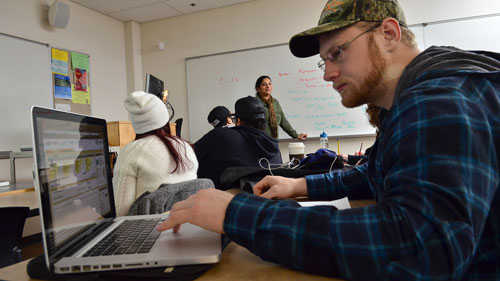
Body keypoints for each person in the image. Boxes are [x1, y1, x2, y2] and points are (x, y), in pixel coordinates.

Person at [157, 0, 500, 280]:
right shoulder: (414, 95)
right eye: (324, 60)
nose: (327, 73)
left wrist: (239, 214)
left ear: (389, 34)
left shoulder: (440, 99)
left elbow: (422, 245)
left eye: (337, 53)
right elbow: (376, 172)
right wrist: (301, 186)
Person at [112, 91, 198, 216]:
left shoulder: (131, 151)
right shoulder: (186, 147)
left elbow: (120, 212)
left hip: (151, 229)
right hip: (190, 226)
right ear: (165, 119)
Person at [195, 96, 282, 189]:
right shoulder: (274, 145)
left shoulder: (220, 135)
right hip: (268, 198)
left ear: (238, 121)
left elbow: (190, 155)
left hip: (229, 198)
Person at [253, 75, 307, 140]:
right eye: (264, 84)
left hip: (274, 142)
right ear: (258, 88)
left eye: (270, 84)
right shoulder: (254, 103)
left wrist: (296, 135)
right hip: (259, 142)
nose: (268, 86)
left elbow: (283, 121)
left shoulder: (275, 103)